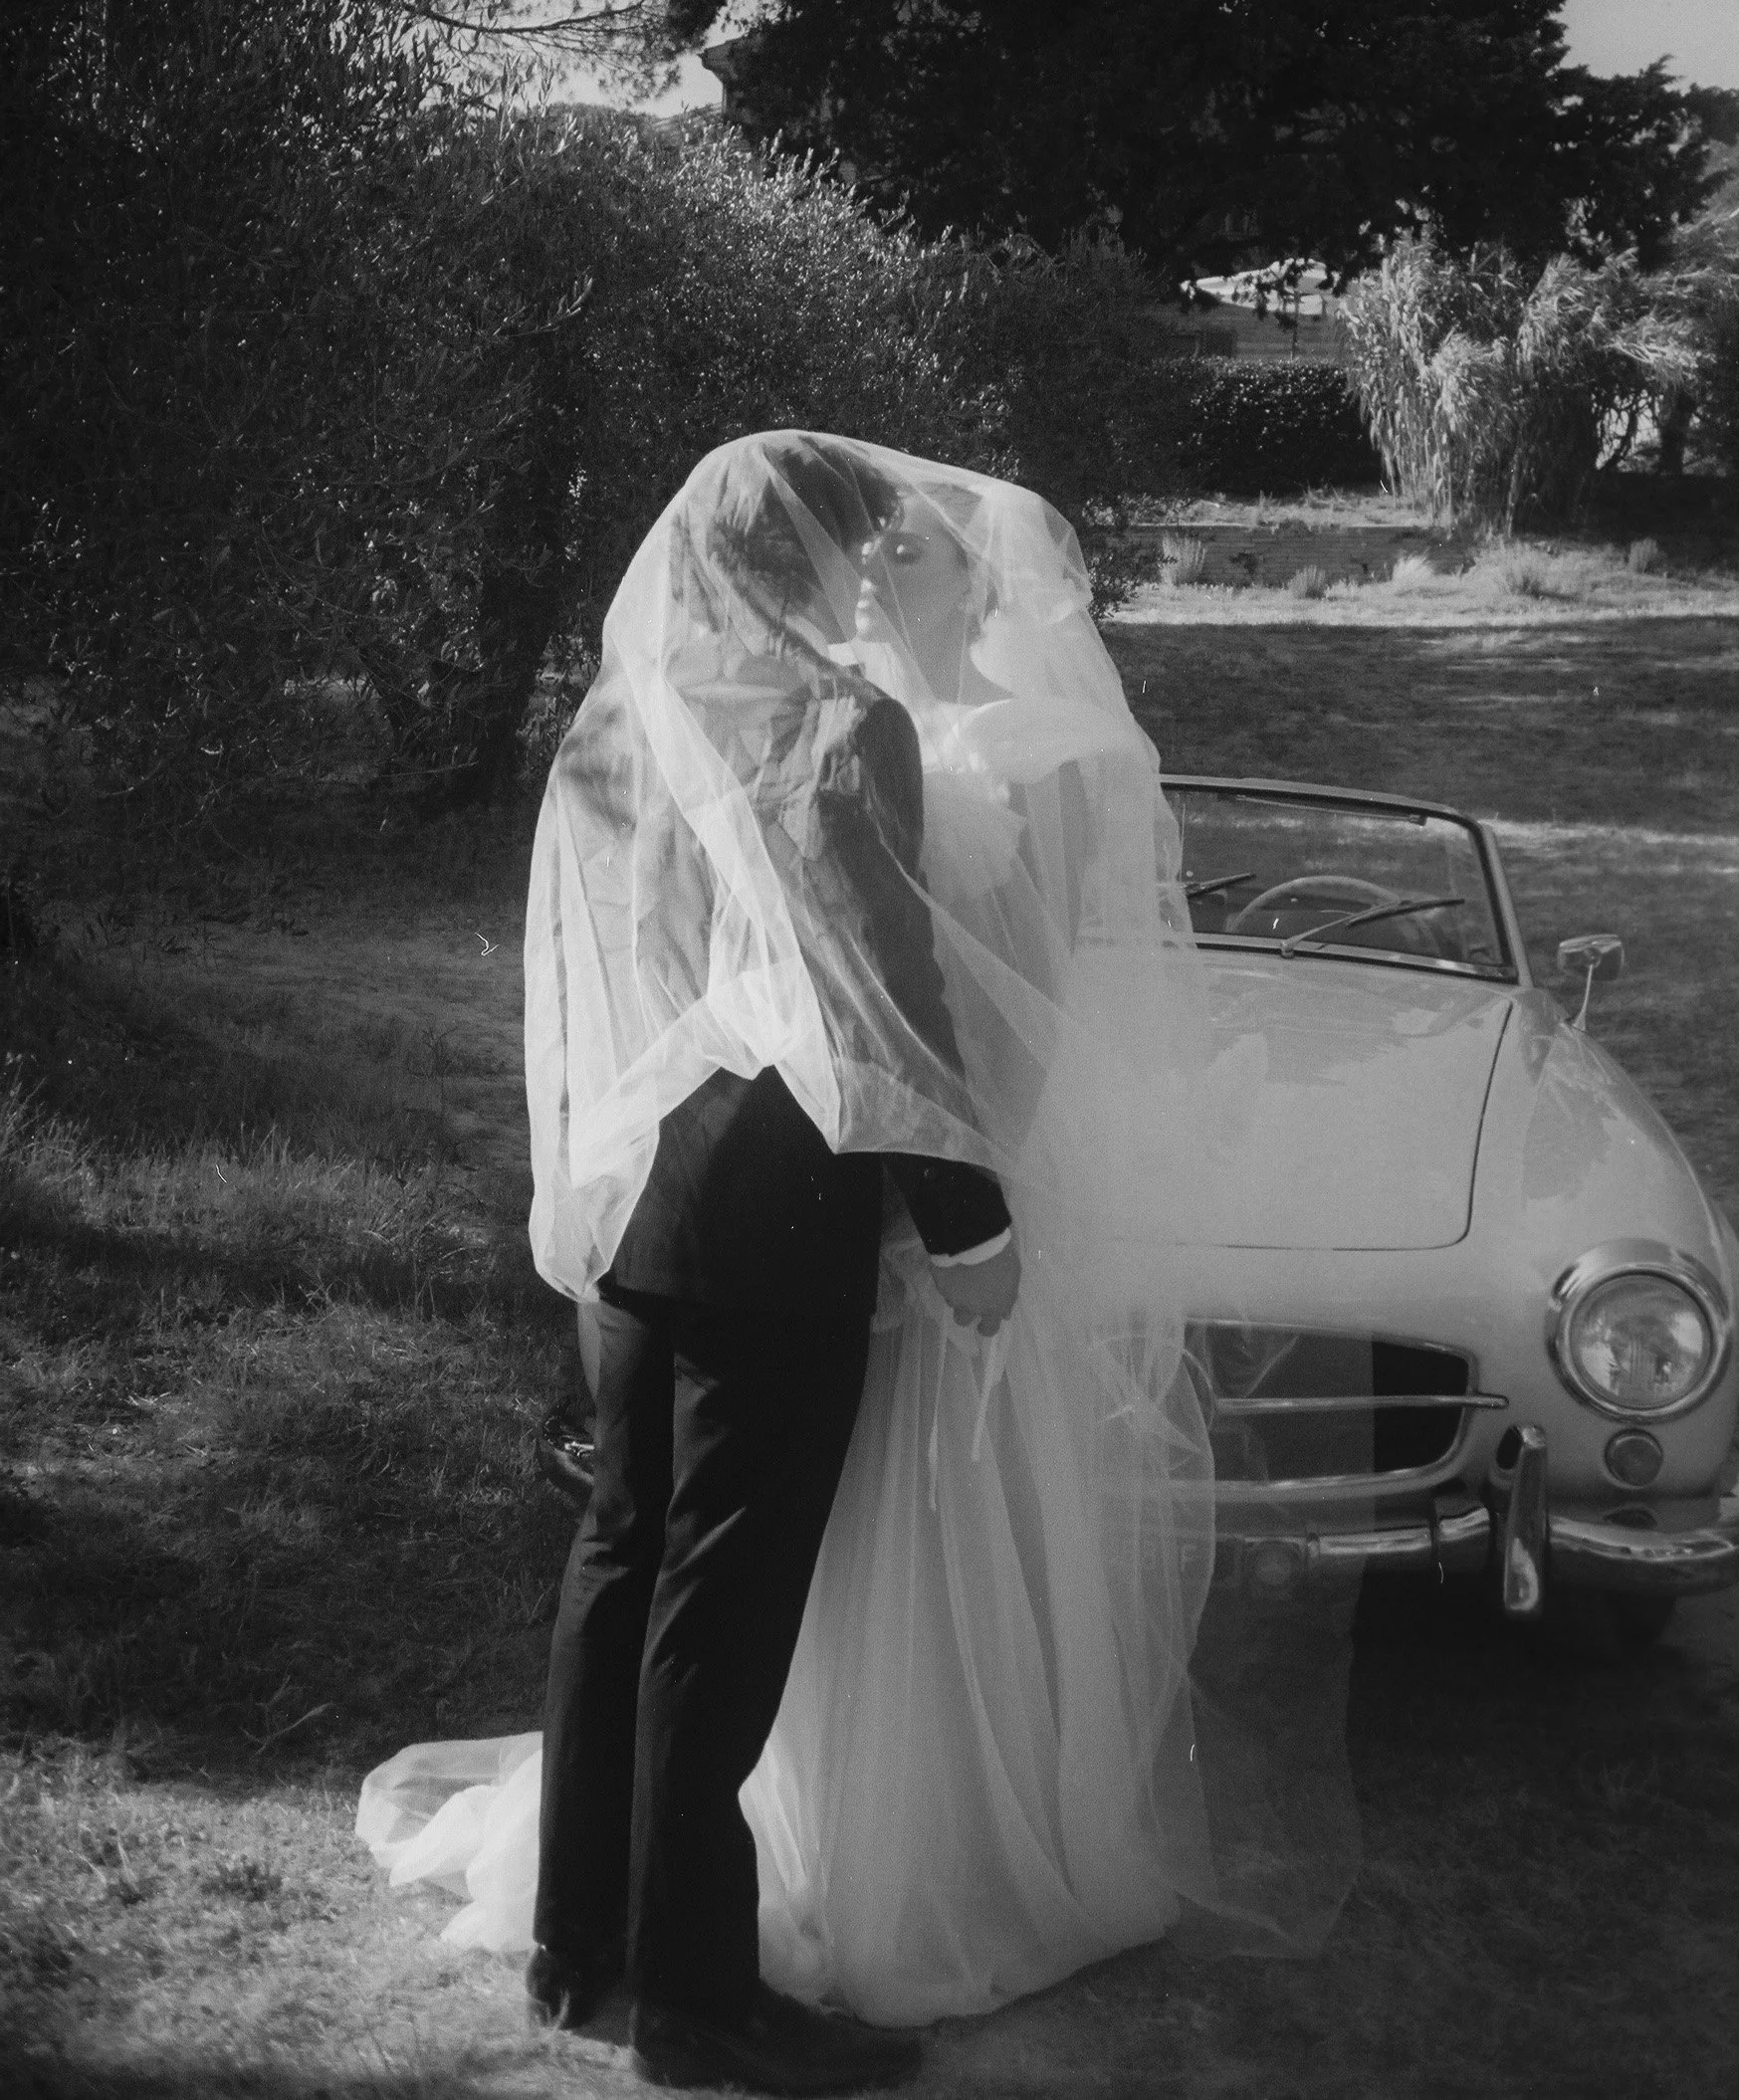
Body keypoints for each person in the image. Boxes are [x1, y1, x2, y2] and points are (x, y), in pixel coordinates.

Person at [357, 434, 1353, 2072]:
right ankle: (692, 1996)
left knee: (621, 1557)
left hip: (645, 1178)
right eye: (852, 545)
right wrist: (965, 1223)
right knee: (722, 1607)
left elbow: (646, 953)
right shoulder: (838, 718)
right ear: (809, 557)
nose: (865, 572)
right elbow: (875, 1002)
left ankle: (575, 1937)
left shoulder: (636, 710)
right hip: (781, 1200)